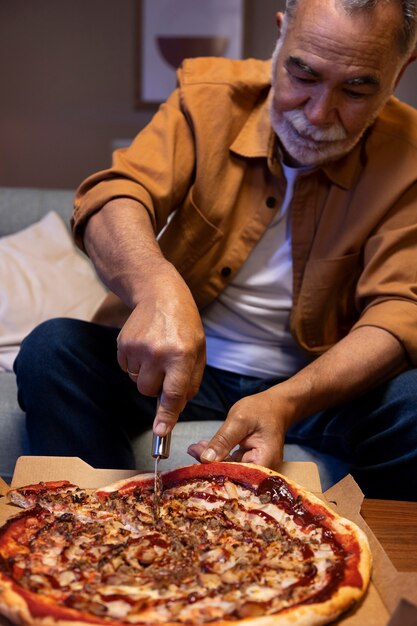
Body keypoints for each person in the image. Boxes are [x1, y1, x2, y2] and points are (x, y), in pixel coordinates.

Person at [14, 0, 417, 500]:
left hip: (319, 383)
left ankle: (354, 559)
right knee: (51, 352)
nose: (318, 113)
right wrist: (158, 288)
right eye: (302, 74)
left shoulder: (410, 152)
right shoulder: (208, 98)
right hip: (184, 364)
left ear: (401, 70)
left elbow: (399, 311)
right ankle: (103, 528)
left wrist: (285, 401)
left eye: (356, 88)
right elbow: (112, 197)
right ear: (281, 34)